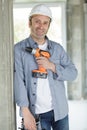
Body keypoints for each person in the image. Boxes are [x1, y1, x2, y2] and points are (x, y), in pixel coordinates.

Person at [14, 4, 78, 130]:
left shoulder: (57, 49)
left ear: (49, 25)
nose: (41, 26)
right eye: (37, 21)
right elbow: (18, 82)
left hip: (60, 111)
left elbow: (73, 73)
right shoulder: (19, 49)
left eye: (45, 23)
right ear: (29, 23)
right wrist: (25, 111)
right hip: (35, 113)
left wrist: (52, 66)